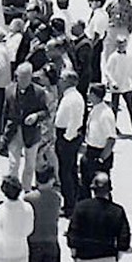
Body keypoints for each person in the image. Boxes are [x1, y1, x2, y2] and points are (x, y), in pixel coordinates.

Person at [2, 62, 49, 191]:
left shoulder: (39, 92)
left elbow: (45, 112)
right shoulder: (9, 90)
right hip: (14, 131)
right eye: (20, 77)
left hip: (31, 133)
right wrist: (3, 132)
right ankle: (12, 190)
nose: (22, 80)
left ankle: (27, 190)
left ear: (30, 77)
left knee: (30, 165)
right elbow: (5, 112)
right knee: (13, 163)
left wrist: (35, 116)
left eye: (25, 77)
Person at [25, 166, 62, 262]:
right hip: (51, 240)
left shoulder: (28, 198)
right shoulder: (57, 198)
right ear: (51, 179)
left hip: (33, 240)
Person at [54, 70, 85, 216]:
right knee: (69, 170)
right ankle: (73, 200)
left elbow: (75, 120)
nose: (59, 80)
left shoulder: (73, 98)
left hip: (68, 137)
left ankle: (69, 206)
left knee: (65, 172)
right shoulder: (70, 96)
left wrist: (67, 137)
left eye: (62, 78)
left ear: (68, 81)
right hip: (65, 135)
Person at [81, 83, 116, 200]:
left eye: (90, 93)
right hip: (90, 151)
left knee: (102, 187)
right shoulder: (95, 110)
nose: (87, 95)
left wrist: (101, 159)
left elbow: (111, 140)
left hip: (99, 154)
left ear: (95, 95)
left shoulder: (105, 114)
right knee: (85, 183)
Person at [105, 35, 132, 139]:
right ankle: (112, 129)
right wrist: (112, 83)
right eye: (119, 43)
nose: (121, 46)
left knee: (131, 108)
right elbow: (107, 71)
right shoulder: (113, 57)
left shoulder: (130, 56)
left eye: (123, 43)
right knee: (114, 109)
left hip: (126, 86)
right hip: (116, 86)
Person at [85, 0, 109, 81]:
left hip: (94, 43)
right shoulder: (97, 13)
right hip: (95, 42)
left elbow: (97, 34)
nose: (90, 3)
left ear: (98, 3)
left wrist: (91, 46)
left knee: (93, 66)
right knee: (94, 65)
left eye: (92, 1)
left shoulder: (99, 15)